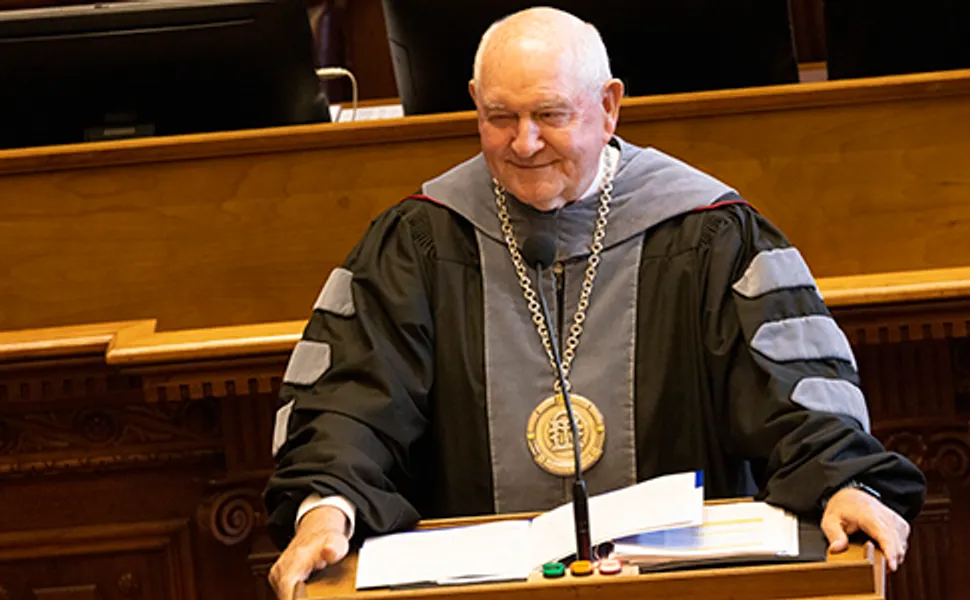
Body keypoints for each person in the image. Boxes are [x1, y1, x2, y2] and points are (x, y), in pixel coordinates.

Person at [266, 7, 925, 599]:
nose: (524, 143)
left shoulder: (710, 235)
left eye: (550, 115)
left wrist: (844, 481)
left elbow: (795, 393)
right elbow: (351, 400)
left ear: (609, 107)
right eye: (500, 118)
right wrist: (329, 507)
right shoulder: (417, 243)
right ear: (473, 104)